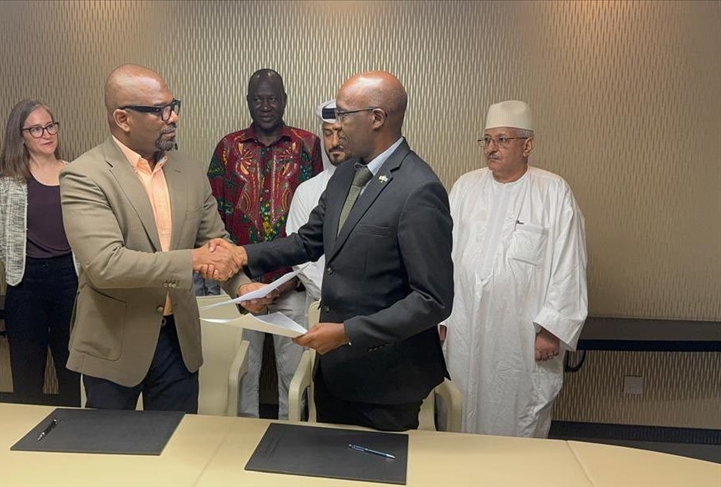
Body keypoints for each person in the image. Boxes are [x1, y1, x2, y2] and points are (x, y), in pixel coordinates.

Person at [212, 71, 454, 432]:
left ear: (376, 118)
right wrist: (241, 255)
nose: (335, 125)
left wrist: (346, 333)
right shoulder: (346, 174)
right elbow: (307, 241)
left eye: (343, 114)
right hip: (336, 372)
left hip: (387, 381)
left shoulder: (419, 189)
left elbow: (433, 301)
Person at [59, 64, 266, 413]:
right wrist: (193, 259)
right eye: (160, 110)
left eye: (173, 106)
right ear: (123, 119)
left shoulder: (189, 171)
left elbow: (215, 242)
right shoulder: (85, 176)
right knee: (110, 445)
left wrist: (243, 288)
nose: (173, 118)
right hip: (114, 343)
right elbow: (106, 265)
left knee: (178, 440)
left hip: (177, 343)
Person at [440, 100, 588, 438]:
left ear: (528, 145)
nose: (491, 148)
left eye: (502, 140)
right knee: (460, 410)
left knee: (517, 416)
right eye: (487, 140)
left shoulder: (553, 192)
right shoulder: (465, 187)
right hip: (464, 328)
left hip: (521, 335)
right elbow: (443, 256)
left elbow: (570, 265)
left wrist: (552, 328)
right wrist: (441, 319)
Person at [206, 68, 323, 420]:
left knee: (295, 376)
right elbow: (214, 218)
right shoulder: (228, 148)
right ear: (248, 102)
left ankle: (293, 439)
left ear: (284, 100)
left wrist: (291, 279)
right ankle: (241, 440)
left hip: (294, 283)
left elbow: (320, 217)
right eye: (258, 99)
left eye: (273, 98)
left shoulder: (308, 146)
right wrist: (238, 280)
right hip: (242, 286)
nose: (266, 106)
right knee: (242, 374)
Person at [0, 99, 81, 406]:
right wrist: (23, 264)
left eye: (50, 126)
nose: (47, 134)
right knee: (27, 372)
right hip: (26, 282)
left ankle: (76, 428)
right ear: (21, 136)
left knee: (73, 368)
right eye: (37, 129)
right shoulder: (7, 182)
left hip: (71, 279)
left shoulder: (76, 175)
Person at [286, 99, 350, 314]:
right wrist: (330, 297)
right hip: (318, 306)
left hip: (367, 312)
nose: (334, 142)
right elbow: (300, 256)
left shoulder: (376, 185)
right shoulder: (307, 191)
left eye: (340, 133)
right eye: (328, 134)